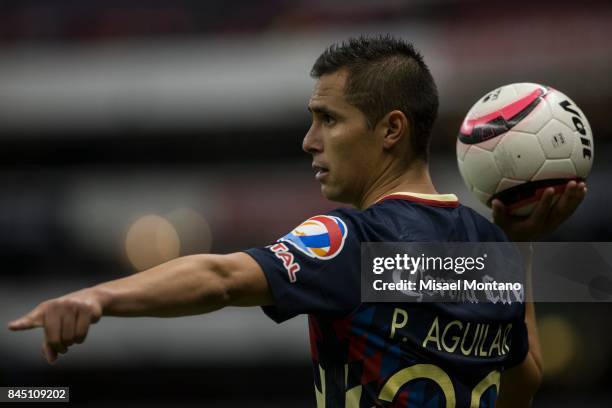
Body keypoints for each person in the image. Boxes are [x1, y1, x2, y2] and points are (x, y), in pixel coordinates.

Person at [8, 36, 586, 407]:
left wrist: (100, 297)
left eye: (327, 120)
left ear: (390, 129)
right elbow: (525, 380)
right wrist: (520, 247)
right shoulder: (485, 249)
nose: (310, 142)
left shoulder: (354, 243)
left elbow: (223, 277)